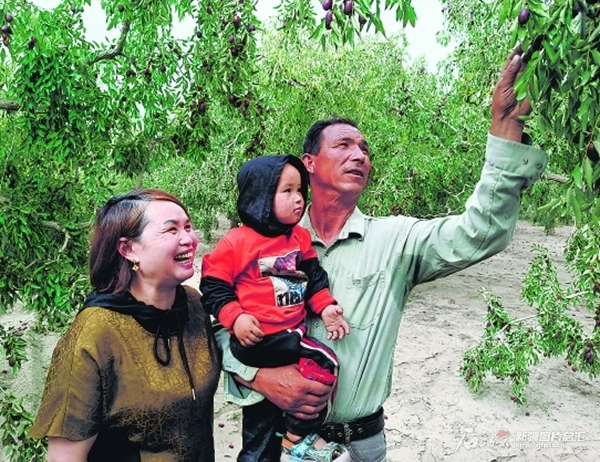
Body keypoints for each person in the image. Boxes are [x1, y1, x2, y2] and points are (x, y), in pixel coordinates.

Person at [215, 47, 549, 462]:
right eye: (343, 145)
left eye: (365, 149)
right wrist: (259, 375)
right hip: (276, 440)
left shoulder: (395, 240)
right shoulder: (259, 242)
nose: (359, 155)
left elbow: (481, 232)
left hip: (360, 446)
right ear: (309, 163)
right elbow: (218, 323)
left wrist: (504, 130)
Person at [29, 189, 221, 462]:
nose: (189, 239)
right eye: (171, 230)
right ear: (129, 249)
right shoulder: (95, 332)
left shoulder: (193, 306)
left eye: (188, 227)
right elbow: (64, 457)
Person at [200, 155, 351, 462]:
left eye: (300, 191)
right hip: (260, 341)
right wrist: (236, 317)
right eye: (288, 191)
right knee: (326, 362)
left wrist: (325, 308)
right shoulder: (236, 242)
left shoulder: (299, 238)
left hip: (287, 337)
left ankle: (280, 444)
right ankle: (298, 438)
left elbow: (313, 278)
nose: (298, 199)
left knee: (262, 423)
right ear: (261, 197)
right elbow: (213, 286)